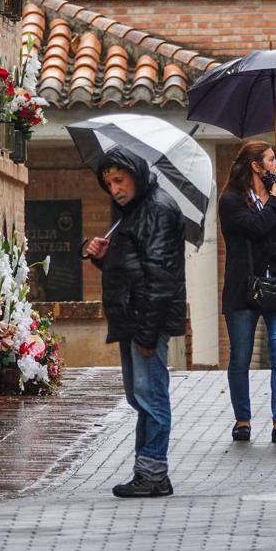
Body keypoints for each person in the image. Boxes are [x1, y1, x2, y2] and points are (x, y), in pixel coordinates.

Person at [85, 146, 186, 498]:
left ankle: (153, 472)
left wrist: (146, 330)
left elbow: (159, 277)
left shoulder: (156, 209)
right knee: (139, 396)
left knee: (151, 395)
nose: (114, 188)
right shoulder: (134, 210)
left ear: (135, 175)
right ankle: (148, 469)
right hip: (134, 317)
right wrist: (103, 257)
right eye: (108, 182)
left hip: (145, 319)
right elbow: (132, 269)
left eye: (119, 180)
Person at [219, 141, 276, 444]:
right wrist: (273, 199)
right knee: (240, 356)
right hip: (243, 290)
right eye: (271, 159)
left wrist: (271, 248)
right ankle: (242, 420)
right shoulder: (231, 201)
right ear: (256, 166)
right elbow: (255, 228)